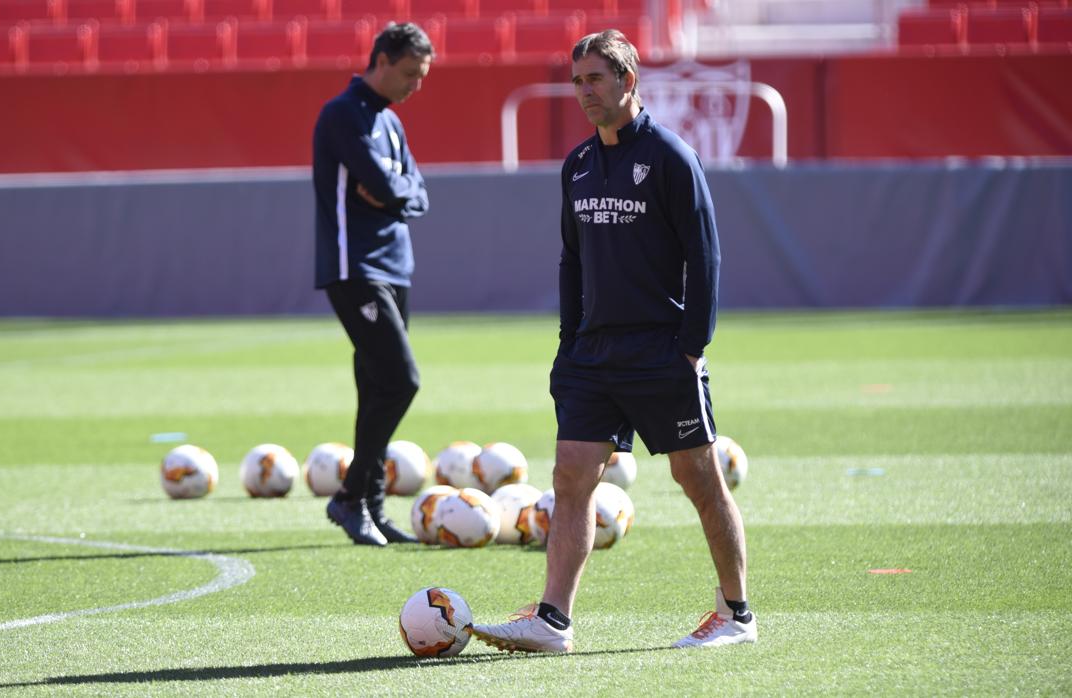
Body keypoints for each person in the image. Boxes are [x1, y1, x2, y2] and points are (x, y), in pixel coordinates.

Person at [470, 29, 756, 651]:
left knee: (698, 477)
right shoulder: (576, 165)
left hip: (660, 351)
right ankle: (553, 620)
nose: (583, 92)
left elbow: (703, 256)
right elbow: (571, 263)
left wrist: (692, 344)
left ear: (628, 81)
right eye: (577, 81)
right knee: (571, 477)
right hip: (593, 355)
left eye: (595, 79)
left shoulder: (672, 156)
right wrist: (569, 342)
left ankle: (736, 614)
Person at [311, 22, 434, 547]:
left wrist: (393, 194)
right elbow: (387, 186)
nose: (415, 86)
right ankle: (351, 494)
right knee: (402, 379)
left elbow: (416, 194)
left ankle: (370, 507)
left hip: (394, 266)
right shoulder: (342, 114)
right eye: (409, 73)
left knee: (375, 386)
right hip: (354, 265)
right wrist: (393, 192)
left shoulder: (392, 123)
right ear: (380, 60)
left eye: (421, 76)